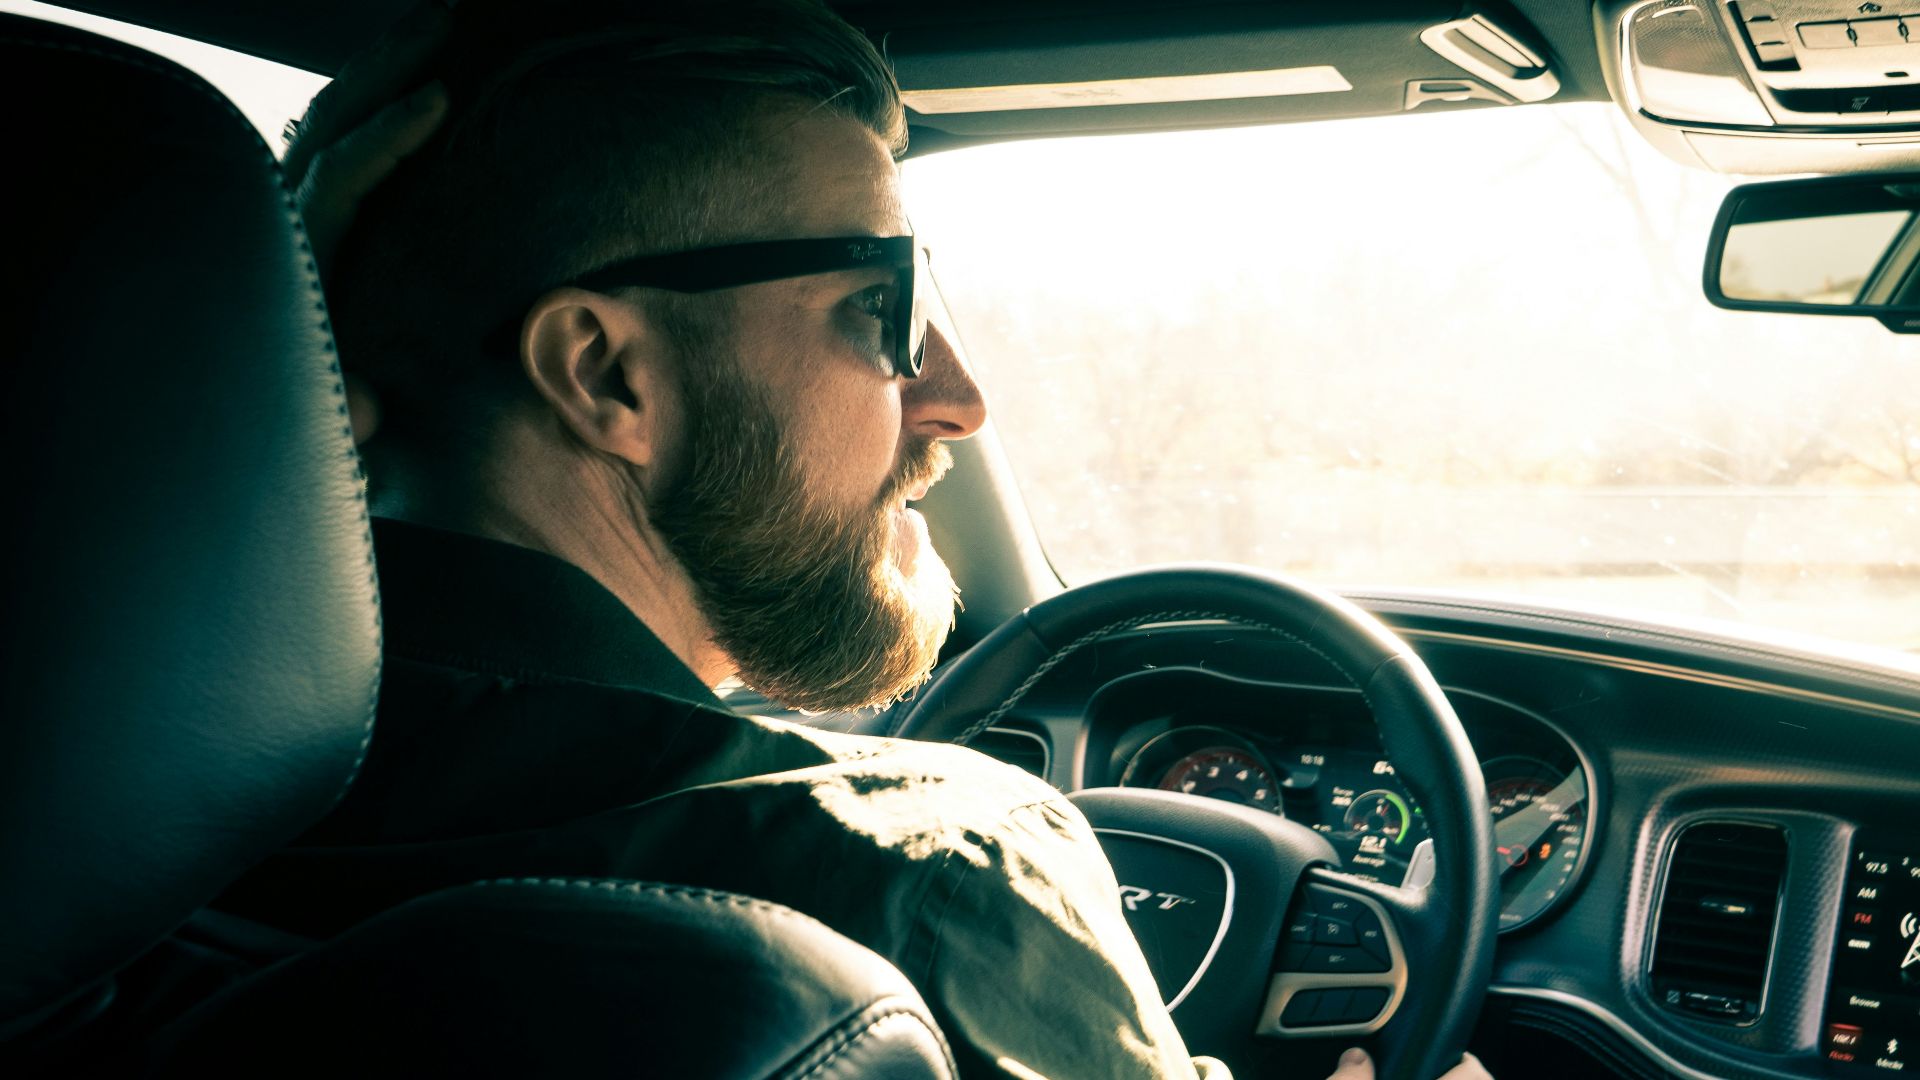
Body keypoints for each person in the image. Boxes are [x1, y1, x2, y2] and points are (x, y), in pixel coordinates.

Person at [226, 3, 1492, 1078]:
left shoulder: (110, 798)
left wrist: (271, 367)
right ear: (609, 373)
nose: (957, 395)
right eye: (882, 307)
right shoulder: (933, 871)